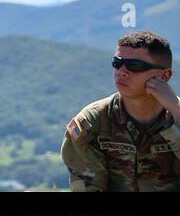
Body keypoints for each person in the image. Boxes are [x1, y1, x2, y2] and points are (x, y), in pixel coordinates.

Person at [61, 30, 180, 191]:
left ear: (164, 76)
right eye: (117, 63)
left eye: (134, 66)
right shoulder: (93, 122)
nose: (121, 72)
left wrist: (177, 112)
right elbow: (88, 186)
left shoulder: (175, 115)